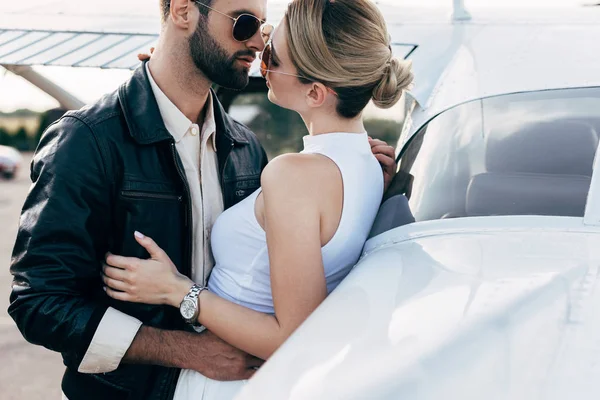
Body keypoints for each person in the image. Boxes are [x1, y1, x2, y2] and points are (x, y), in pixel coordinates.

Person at [7, 0, 398, 399]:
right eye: (246, 23)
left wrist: (353, 189)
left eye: (263, 28)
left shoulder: (247, 148)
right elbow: (38, 303)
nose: (259, 45)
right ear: (182, 11)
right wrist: (186, 351)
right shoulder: (87, 139)